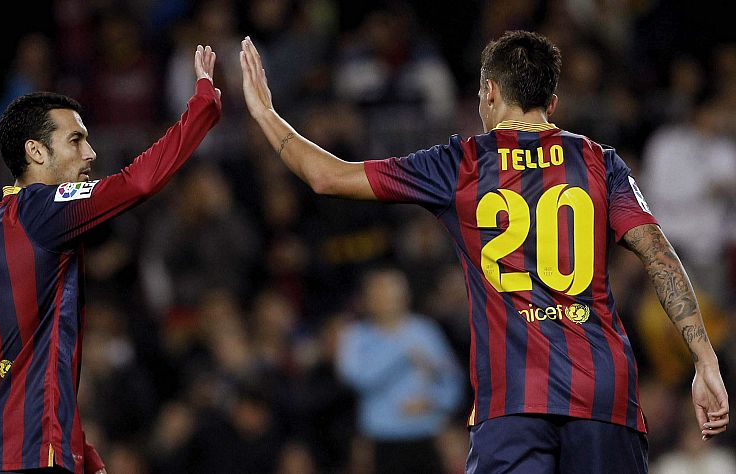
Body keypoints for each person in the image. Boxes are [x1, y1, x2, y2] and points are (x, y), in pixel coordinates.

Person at [239, 31, 729, 473]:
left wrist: (266, 115)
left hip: (514, 401)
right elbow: (659, 255)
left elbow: (327, 176)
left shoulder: (460, 164)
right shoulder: (601, 163)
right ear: (551, 102)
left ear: (490, 91)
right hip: (603, 393)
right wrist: (704, 358)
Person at [0, 44, 221, 473]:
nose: (91, 153)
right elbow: (136, 184)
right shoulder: (41, 210)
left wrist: (81, 449)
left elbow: (29, 362)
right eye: (76, 140)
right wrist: (203, 107)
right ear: (36, 152)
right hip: (33, 454)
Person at [336, 267, 463, 474]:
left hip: (426, 434)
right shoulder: (356, 335)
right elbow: (357, 379)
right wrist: (401, 351)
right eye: (380, 291)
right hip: (381, 438)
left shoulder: (425, 329)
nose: (387, 298)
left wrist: (434, 401)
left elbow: (452, 379)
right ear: (367, 298)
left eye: (392, 291)